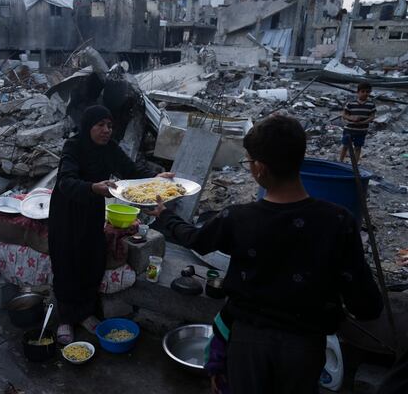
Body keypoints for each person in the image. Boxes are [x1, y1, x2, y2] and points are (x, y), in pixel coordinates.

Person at [148, 115, 383, 393]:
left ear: (259, 168)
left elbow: (196, 239)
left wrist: (165, 216)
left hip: (248, 346)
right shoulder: (339, 221)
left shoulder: (238, 219)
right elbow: (367, 305)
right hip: (306, 350)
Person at [48, 105, 173, 345]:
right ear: (88, 127)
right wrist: (92, 187)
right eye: (100, 125)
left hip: (92, 211)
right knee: (66, 263)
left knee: (91, 260)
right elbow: (66, 182)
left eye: (109, 125)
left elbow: (131, 170)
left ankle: (84, 313)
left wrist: (153, 179)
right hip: (67, 213)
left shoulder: (110, 148)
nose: (106, 130)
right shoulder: (73, 147)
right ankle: (66, 318)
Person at [339, 82, 376, 163]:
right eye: (363, 91)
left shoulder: (371, 105)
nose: (365, 93)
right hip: (349, 129)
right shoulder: (351, 103)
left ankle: (354, 164)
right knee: (345, 145)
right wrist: (352, 118)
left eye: (367, 92)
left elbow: (372, 117)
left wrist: (363, 122)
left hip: (361, 130)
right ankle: (340, 161)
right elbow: (344, 114)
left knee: (358, 147)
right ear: (358, 92)